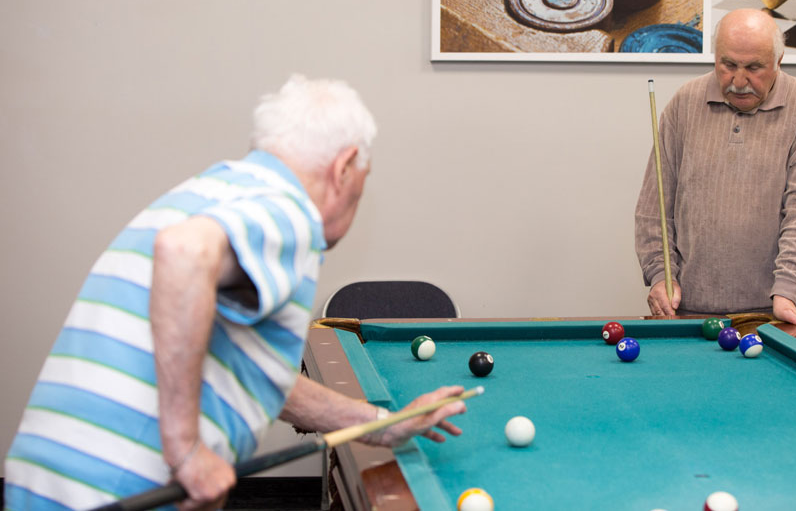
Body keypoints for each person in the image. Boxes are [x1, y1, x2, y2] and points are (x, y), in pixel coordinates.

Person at [5, 75, 468, 510]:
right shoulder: (287, 210)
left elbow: (259, 378)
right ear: (344, 168)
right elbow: (183, 253)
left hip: (43, 475)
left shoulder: (213, 192)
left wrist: (384, 427)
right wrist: (185, 451)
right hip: (118, 487)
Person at [635, 8, 796, 328]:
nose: (739, 81)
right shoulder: (684, 103)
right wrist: (661, 276)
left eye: (754, 68)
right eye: (728, 65)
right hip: (691, 310)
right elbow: (653, 209)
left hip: (776, 311)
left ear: (778, 61)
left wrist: (786, 291)